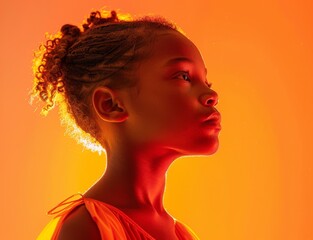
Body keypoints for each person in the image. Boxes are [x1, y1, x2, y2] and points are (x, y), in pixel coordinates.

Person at [33, 10, 221, 240]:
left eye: (206, 81)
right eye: (183, 76)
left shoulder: (182, 235)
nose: (211, 95)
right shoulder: (88, 229)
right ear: (111, 105)